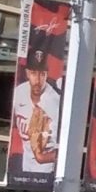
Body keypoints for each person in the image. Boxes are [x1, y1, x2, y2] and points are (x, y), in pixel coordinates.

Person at [10, 41, 62, 181]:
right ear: (27, 73)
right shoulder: (19, 92)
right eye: (33, 73)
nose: (38, 80)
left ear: (46, 74)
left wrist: (58, 156)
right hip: (25, 171)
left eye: (42, 74)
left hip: (49, 175)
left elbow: (62, 148)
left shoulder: (54, 102)